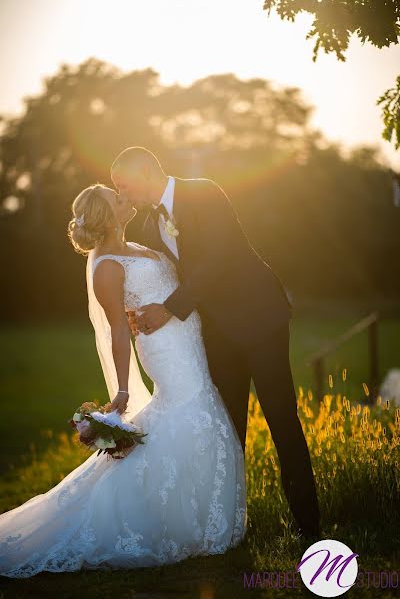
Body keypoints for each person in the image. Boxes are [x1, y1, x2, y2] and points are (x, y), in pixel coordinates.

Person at [0, 184, 247, 578]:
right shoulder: (106, 266)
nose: (125, 197)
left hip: (188, 336)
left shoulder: (141, 245)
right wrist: (123, 390)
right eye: (117, 198)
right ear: (107, 214)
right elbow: (117, 329)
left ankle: (198, 514)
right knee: (189, 409)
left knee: (199, 406)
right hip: (166, 350)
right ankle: (165, 519)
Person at [111, 146, 321, 539]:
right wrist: (136, 306)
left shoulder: (203, 191)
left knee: (281, 418)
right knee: (228, 429)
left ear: (145, 171)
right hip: (217, 333)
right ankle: (231, 526)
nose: (123, 196)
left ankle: (308, 525)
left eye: (123, 186)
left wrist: (170, 308)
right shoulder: (147, 228)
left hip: (260, 318)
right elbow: (165, 276)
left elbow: (218, 257)